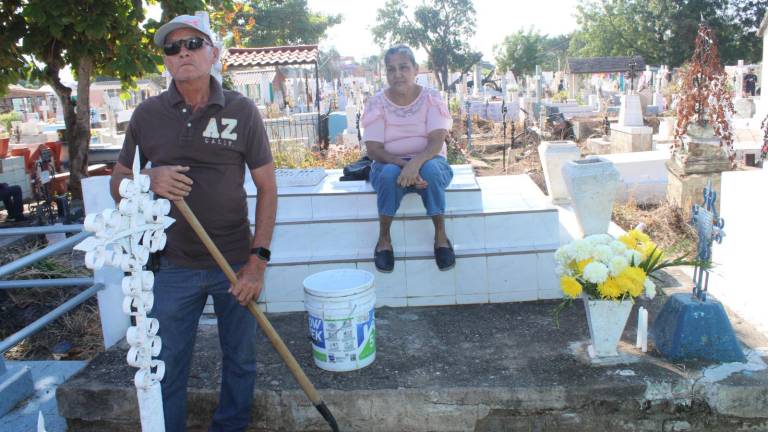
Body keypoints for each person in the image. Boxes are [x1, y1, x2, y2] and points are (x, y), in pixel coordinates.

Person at [109, 15, 277, 432]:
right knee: (165, 366)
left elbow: (268, 188)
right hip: (173, 265)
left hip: (234, 263)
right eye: (172, 47)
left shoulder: (242, 110)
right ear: (166, 61)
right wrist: (147, 179)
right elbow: (117, 182)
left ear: (213, 53)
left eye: (193, 44)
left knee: (240, 361)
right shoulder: (147, 115)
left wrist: (257, 262)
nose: (182, 52)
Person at [361, 44, 455, 273]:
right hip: (389, 163)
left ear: (416, 69)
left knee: (431, 171)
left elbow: (437, 140)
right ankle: (384, 239)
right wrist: (405, 165)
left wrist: (416, 164)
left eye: (403, 67)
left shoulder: (431, 98)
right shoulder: (377, 103)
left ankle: (441, 237)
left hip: (430, 160)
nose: (397, 74)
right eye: (391, 69)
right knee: (389, 174)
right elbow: (373, 149)